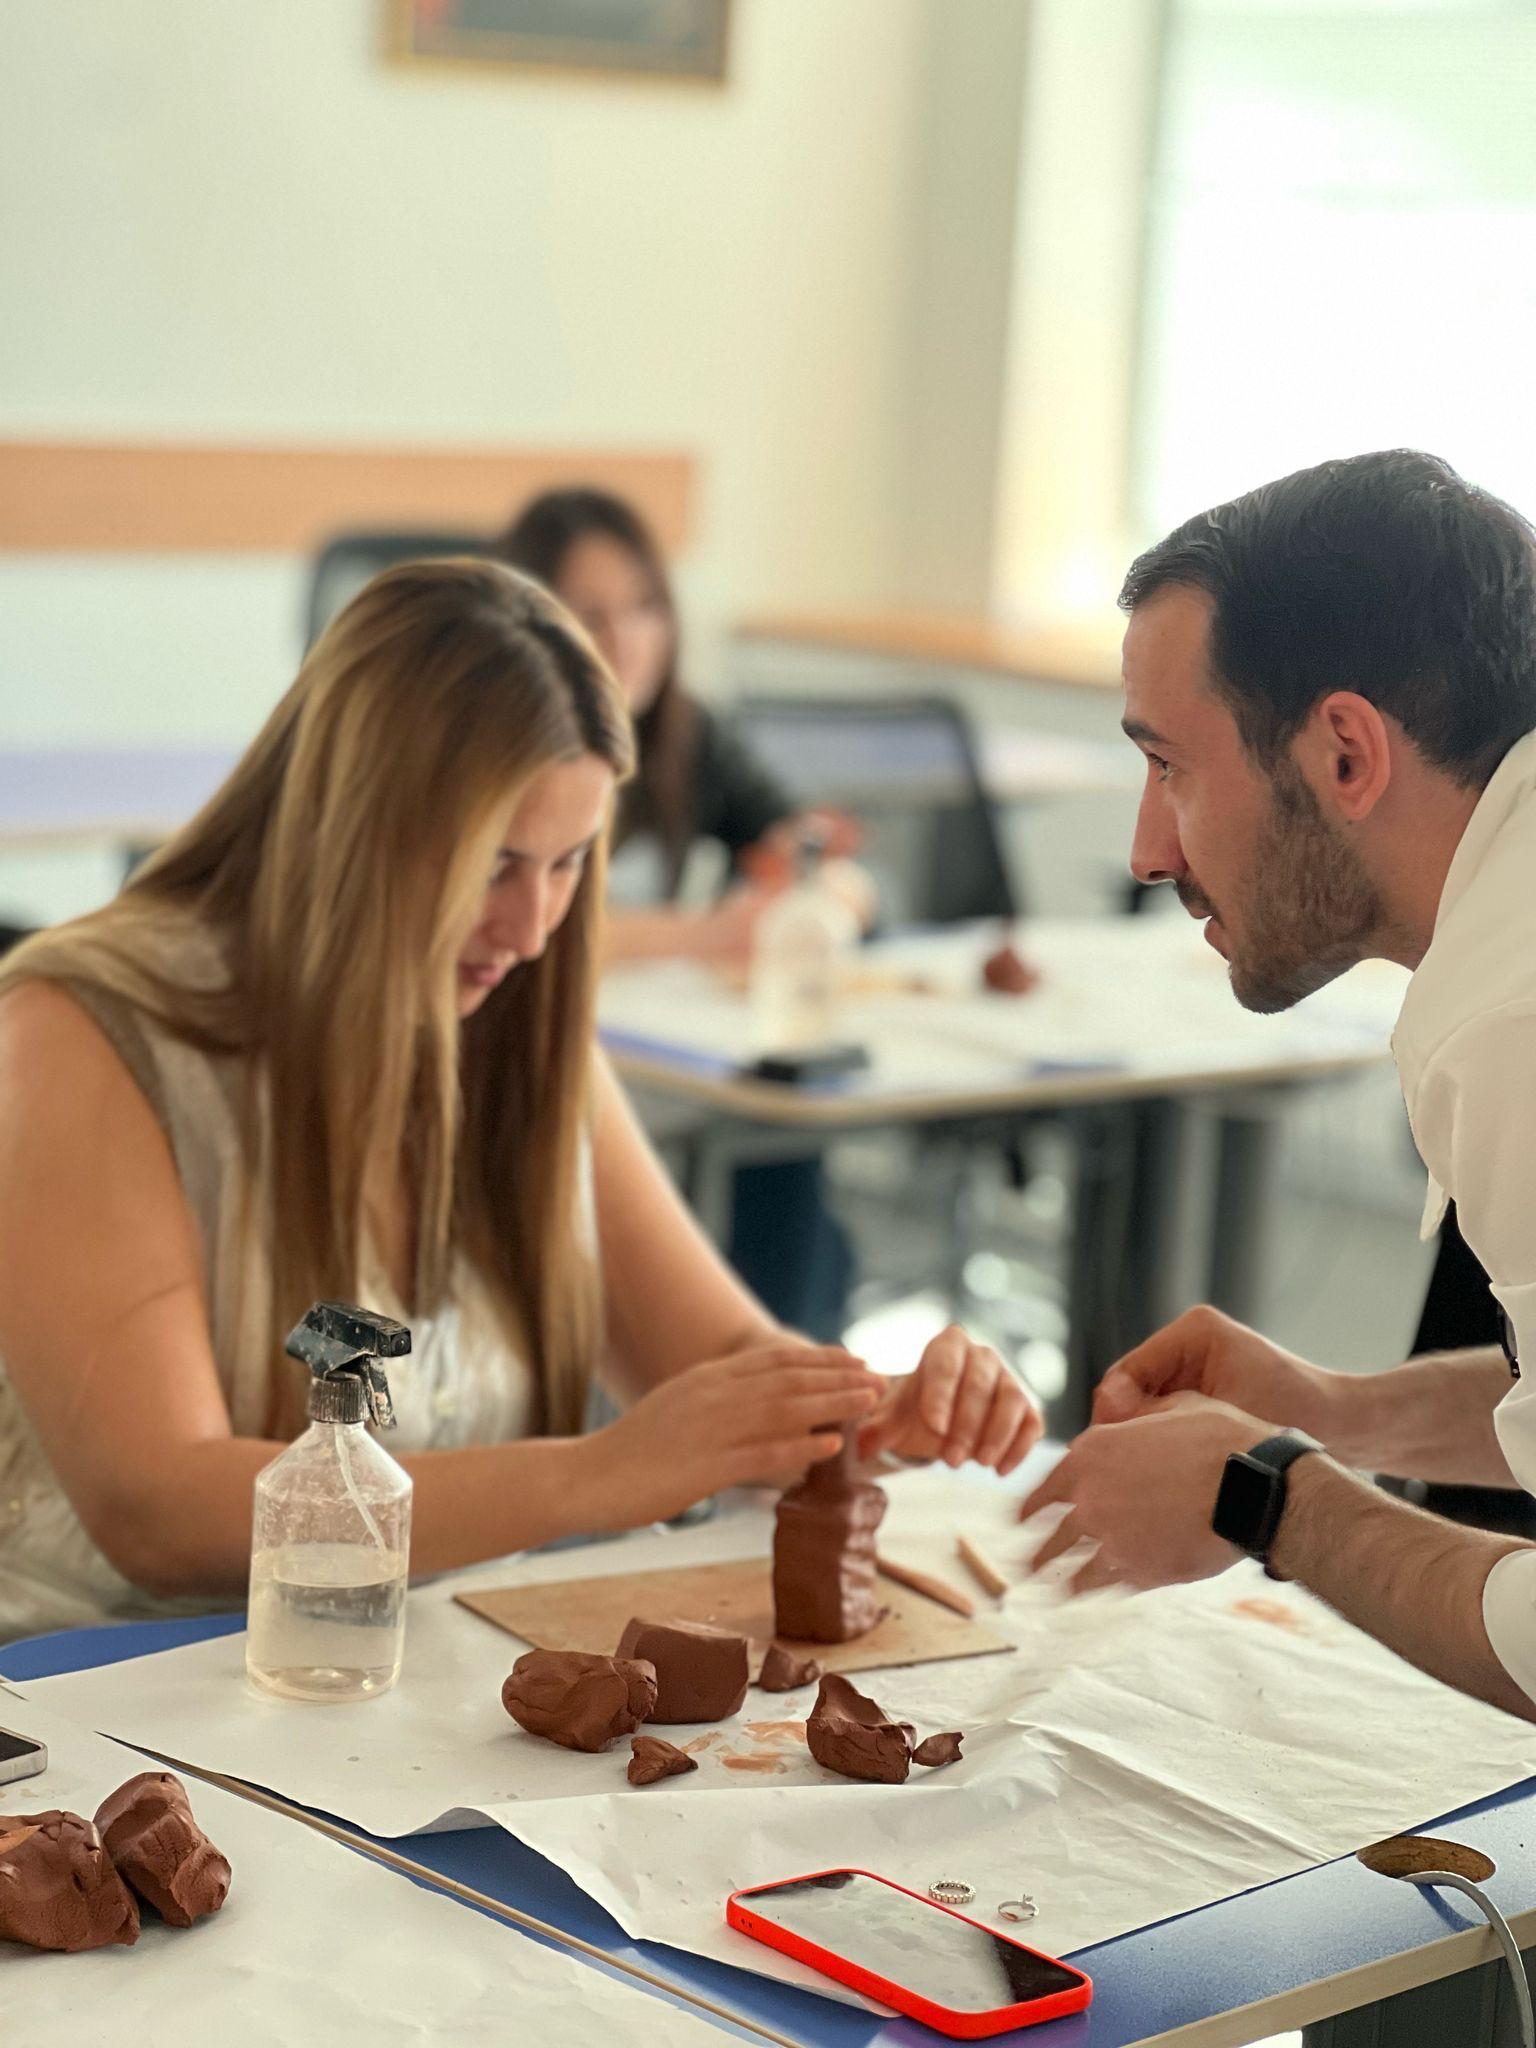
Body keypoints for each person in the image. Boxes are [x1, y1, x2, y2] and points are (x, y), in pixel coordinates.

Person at [0, 559, 1041, 1642]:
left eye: (570, 863)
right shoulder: (86, 1030)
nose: (533, 927)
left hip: (411, 1678)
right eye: (495, 865)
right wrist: (595, 1476)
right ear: (352, 829)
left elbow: (719, 1362)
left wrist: (877, 1413)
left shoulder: (516, 1028)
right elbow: (161, 1508)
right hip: (92, 1694)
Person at [1019, 449, 1536, 1723]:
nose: (1147, 850)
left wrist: (1267, 1495)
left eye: (1172, 768)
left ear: (1345, 753)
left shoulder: (1511, 1018)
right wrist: (1332, 1411)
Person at [495, 487, 864, 1336]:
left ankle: (794, 1371)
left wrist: (818, 890)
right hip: (548, 1052)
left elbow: (819, 857)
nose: (625, 639)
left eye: (645, 609)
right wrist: (707, 935)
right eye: (592, 614)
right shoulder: (501, 745)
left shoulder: (685, 735)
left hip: (665, 1049)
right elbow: (510, 929)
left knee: (783, 1141)